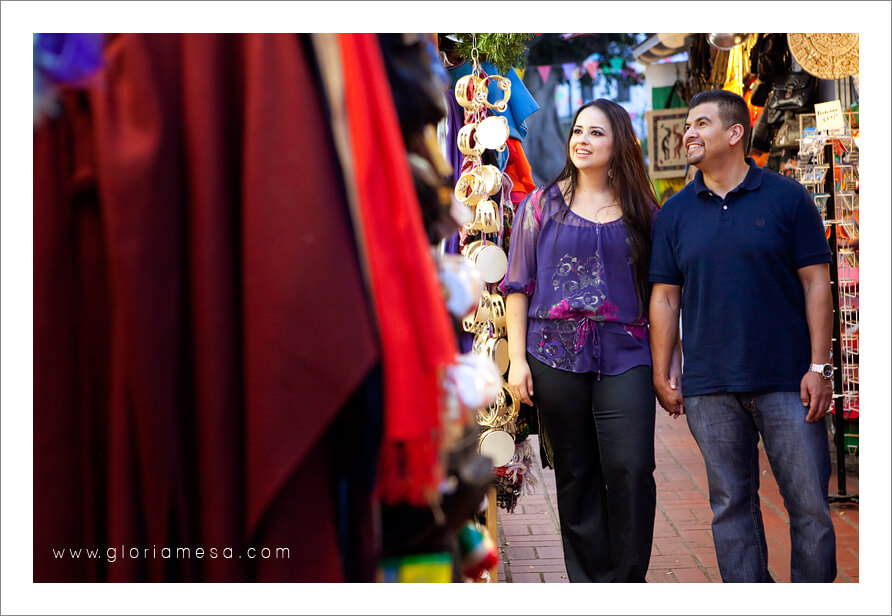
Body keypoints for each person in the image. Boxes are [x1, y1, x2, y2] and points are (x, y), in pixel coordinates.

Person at [648, 89, 837, 583]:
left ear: (735, 134)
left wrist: (820, 367)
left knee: (811, 506)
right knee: (731, 510)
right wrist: (665, 370)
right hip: (710, 386)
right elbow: (665, 297)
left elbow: (817, 281)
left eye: (701, 124)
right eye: (688, 124)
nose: (688, 132)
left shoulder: (787, 197)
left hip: (787, 379)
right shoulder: (674, 214)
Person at [500, 99, 676, 582]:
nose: (582, 139)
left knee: (632, 468)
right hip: (554, 355)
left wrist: (668, 365)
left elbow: (663, 293)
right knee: (576, 473)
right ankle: (588, 583)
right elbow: (517, 287)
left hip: (627, 353)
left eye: (596, 133)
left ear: (620, 141)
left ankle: (626, 579)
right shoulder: (540, 206)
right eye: (578, 130)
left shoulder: (645, 211)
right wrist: (517, 360)